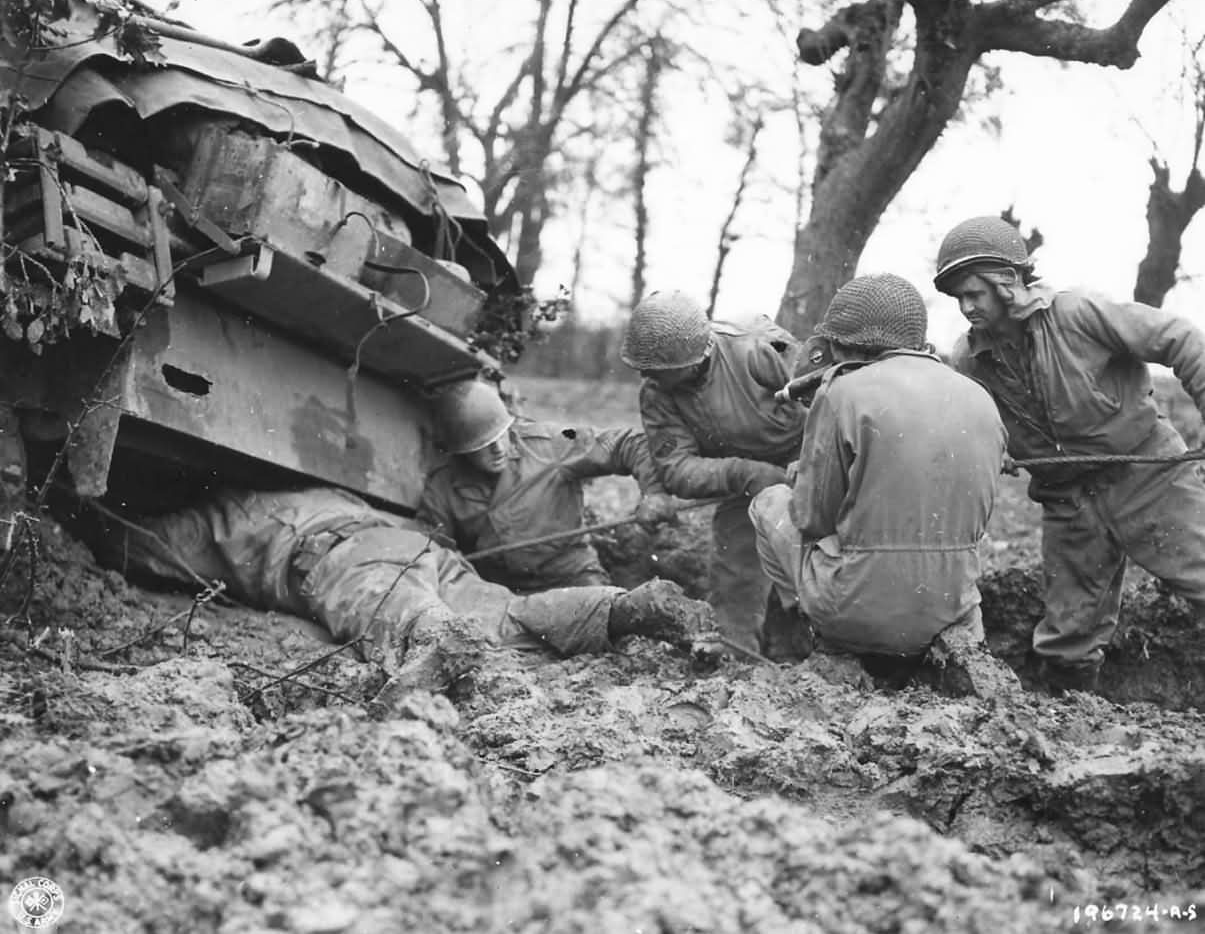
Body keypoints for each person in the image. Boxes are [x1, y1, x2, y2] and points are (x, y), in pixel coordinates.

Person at [936, 214, 1205, 693]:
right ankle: (1072, 727)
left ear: (1008, 281)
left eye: (974, 293)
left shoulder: (1079, 312)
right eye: (958, 297)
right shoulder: (967, 359)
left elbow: (1182, 339)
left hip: (1148, 478)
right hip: (1068, 501)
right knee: (1067, 640)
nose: (966, 306)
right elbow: (966, 425)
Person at [109, 487, 711, 677]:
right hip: (418, 545)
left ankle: (440, 639)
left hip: (351, 557)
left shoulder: (224, 514)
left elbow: (146, 545)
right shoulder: (329, 489)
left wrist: (90, 531)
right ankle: (622, 609)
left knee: (399, 611)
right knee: (507, 613)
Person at [748, 274, 1007, 671]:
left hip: (855, 610)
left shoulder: (841, 394)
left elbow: (811, 518)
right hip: (953, 610)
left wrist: (807, 478)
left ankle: (821, 641)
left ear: (842, 345)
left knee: (768, 504)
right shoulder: (980, 397)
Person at [620, 290, 807, 653]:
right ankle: (738, 653)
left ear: (691, 361)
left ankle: (819, 646)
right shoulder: (657, 394)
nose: (645, 374)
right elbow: (678, 469)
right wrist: (747, 474)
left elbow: (827, 399)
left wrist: (811, 466)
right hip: (744, 477)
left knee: (818, 553)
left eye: (655, 368)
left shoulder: (756, 350)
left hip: (808, 460)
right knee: (736, 561)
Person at [417, 380, 674, 592]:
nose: (497, 449)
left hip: (570, 576)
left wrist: (655, 493)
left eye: (500, 435)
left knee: (606, 619)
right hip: (496, 591)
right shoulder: (443, 487)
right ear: (461, 452)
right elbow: (433, 554)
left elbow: (626, 444)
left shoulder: (551, 444)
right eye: (482, 446)